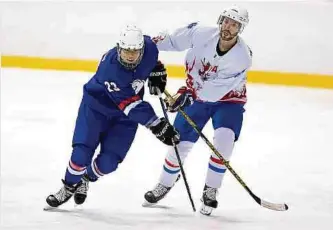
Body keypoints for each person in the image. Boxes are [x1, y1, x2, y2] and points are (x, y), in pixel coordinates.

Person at [45, 25, 179, 209]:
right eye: (126, 51)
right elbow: (131, 105)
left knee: (109, 163)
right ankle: (68, 186)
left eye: (135, 51)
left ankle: (85, 179)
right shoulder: (110, 69)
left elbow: (152, 57)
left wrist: (157, 70)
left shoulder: (149, 47)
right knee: (81, 154)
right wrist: (157, 125)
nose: (130, 55)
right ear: (118, 48)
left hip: (124, 119)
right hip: (96, 108)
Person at [144, 5, 252, 216]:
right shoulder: (201, 33)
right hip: (197, 96)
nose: (228, 27)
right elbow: (173, 41)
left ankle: (211, 189)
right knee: (179, 143)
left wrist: (187, 95)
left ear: (241, 29)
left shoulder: (241, 57)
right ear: (220, 20)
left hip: (229, 101)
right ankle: (165, 183)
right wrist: (146, 46)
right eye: (226, 21)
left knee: (224, 142)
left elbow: (213, 92)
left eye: (235, 24)